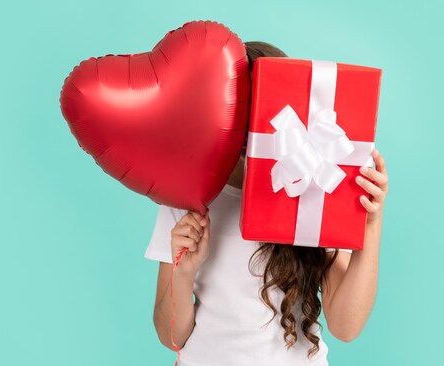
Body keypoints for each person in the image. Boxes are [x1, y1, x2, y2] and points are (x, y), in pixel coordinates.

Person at [145, 41, 389, 366]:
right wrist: (183, 272)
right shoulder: (190, 195)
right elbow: (170, 337)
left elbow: (345, 326)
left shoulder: (313, 184)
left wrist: (370, 224)